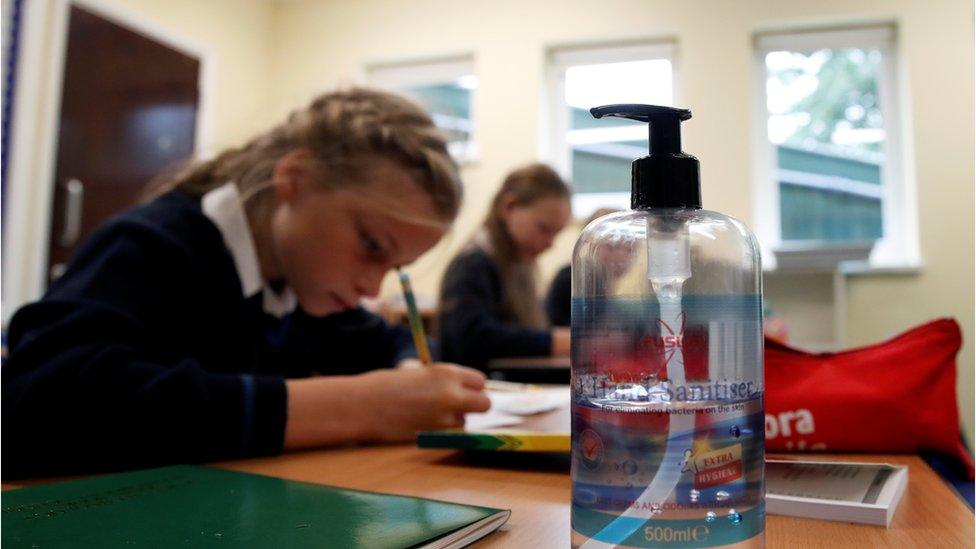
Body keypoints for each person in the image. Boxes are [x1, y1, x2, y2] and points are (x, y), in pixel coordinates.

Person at [2, 88, 491, 479]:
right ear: (294, 178)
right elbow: (41, 403)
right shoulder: (155, 244)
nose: (369, 289)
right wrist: (358, 408)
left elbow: (381, 338)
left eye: (393, 269)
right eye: (370, 245)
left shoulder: (300, 284)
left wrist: (409, 372)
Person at [437, 163, 572, 370]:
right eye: (544, 228)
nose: (550, 243)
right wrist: (556, 340)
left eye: (556, 233)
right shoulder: (473, 263)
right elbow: (473, 338)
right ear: (508, 207)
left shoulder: (519, 266)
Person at [545, 208, 625, 327]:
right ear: (587, 244)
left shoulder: (615, 284)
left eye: (628, 248)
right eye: (610, 247)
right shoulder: (569, 278)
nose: (621, 255)